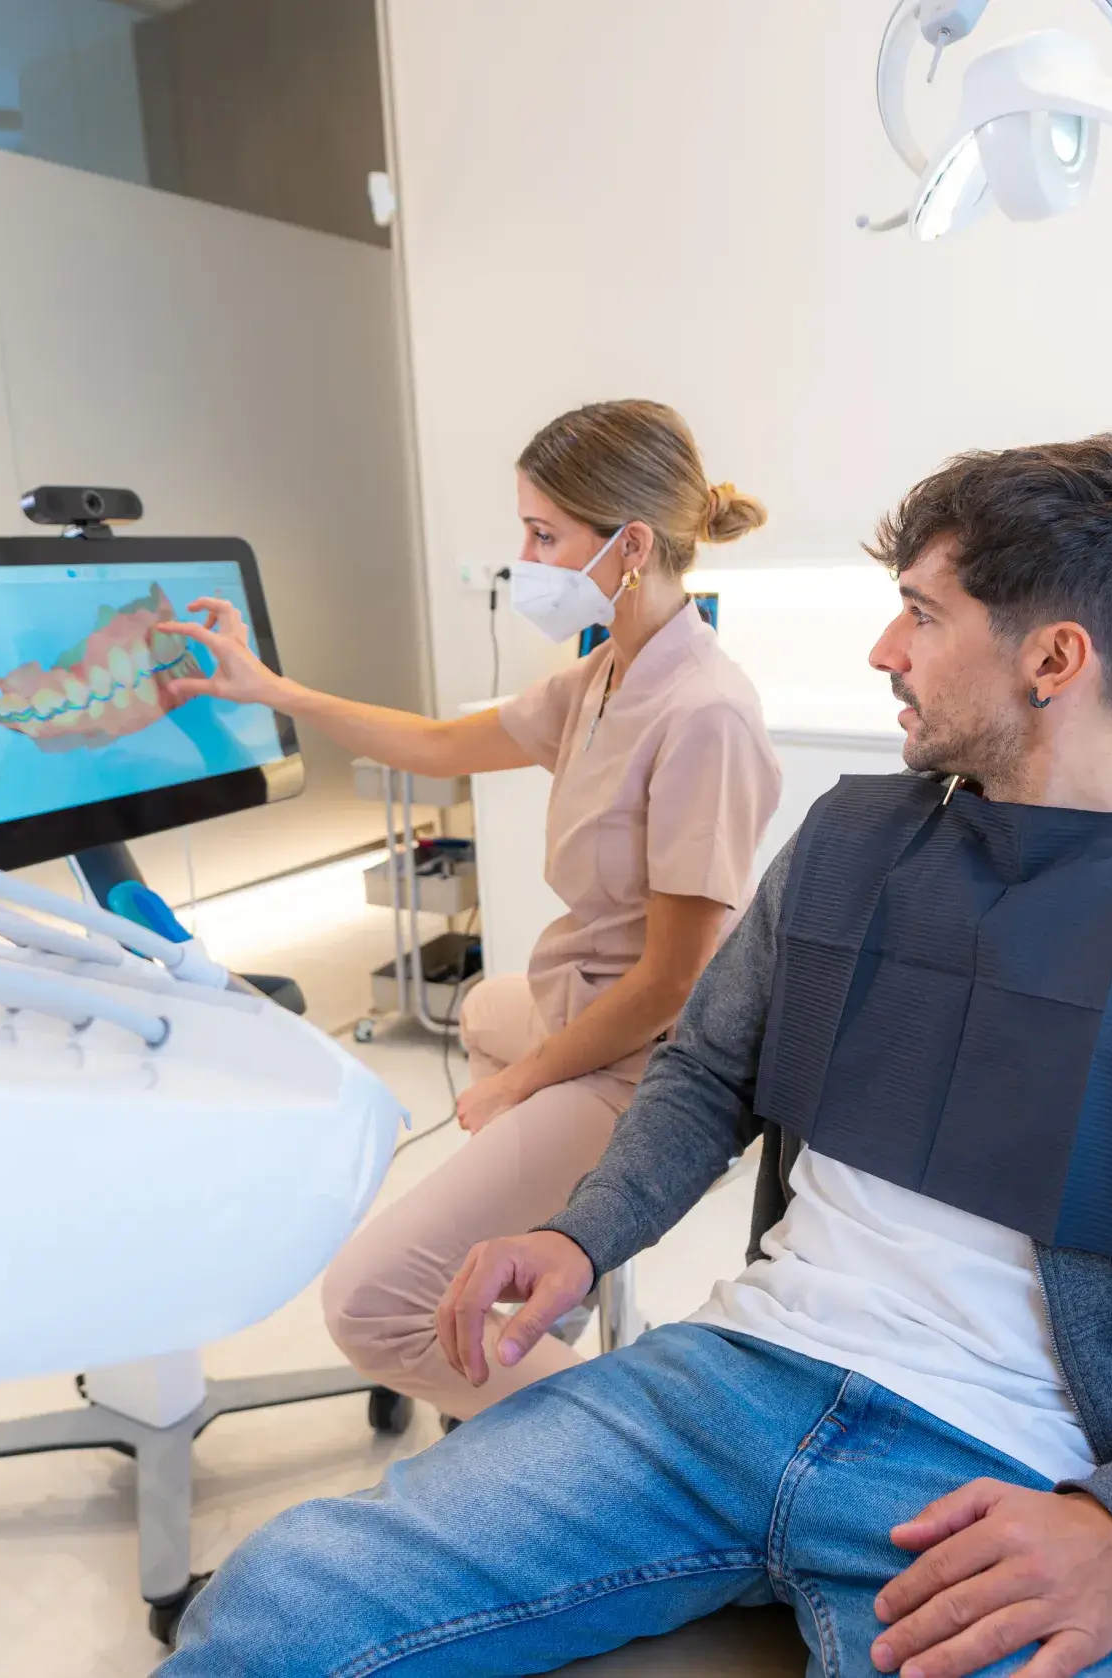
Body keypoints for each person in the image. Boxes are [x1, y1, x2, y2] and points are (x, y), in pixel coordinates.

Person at [160, 436, 1112, 1678]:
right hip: (724, 1388)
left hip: (1011, 1472)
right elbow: (706, 1070)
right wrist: (581, 1235)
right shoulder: (851, 843)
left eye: (919, 615)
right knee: (273, 1608)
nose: (883, 652)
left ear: (1054, 659)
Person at [161, 398, 782, 1423]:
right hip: (571, 1003)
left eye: (543, 533)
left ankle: (625, 1442)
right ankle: (537, 1304)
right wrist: (272, 690)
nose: (523, 556)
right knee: (482, 1008)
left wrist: (530, 1083)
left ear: (628, 546)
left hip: (644, 1059)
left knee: (368, 1305)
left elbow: (674, 979)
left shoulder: (704, 714)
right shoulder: (604, 672)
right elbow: (441, 743)